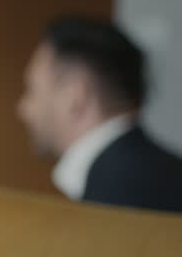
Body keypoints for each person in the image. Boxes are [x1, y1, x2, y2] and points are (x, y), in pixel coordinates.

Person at [17, 15, 182, 213]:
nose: (23, 108)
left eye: (32, 89)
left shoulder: (117, 191)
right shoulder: (163, 172)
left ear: (74, 97)